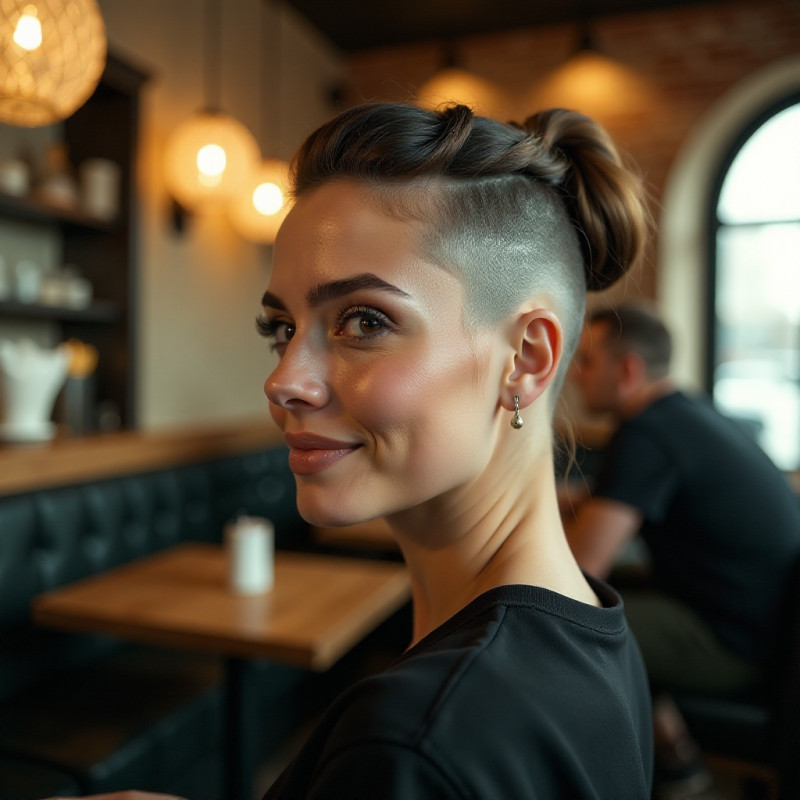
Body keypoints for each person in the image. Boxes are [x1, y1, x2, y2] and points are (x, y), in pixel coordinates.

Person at [52, 102, 654, 799]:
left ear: (524, 359)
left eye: (364, 321)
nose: (283, 381)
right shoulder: (589, 625)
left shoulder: (418, 739)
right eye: (282, 328)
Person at [564, 303, 800, 794]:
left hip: (731, 644)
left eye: (586, 361)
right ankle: (676, 759)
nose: (575, 374)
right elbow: (604, 502)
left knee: (570, 626)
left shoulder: (647, 434)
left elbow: (581, 566)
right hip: (760, 624)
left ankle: (625, 774)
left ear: (628, 369)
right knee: (613, 609)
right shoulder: (683, 414)